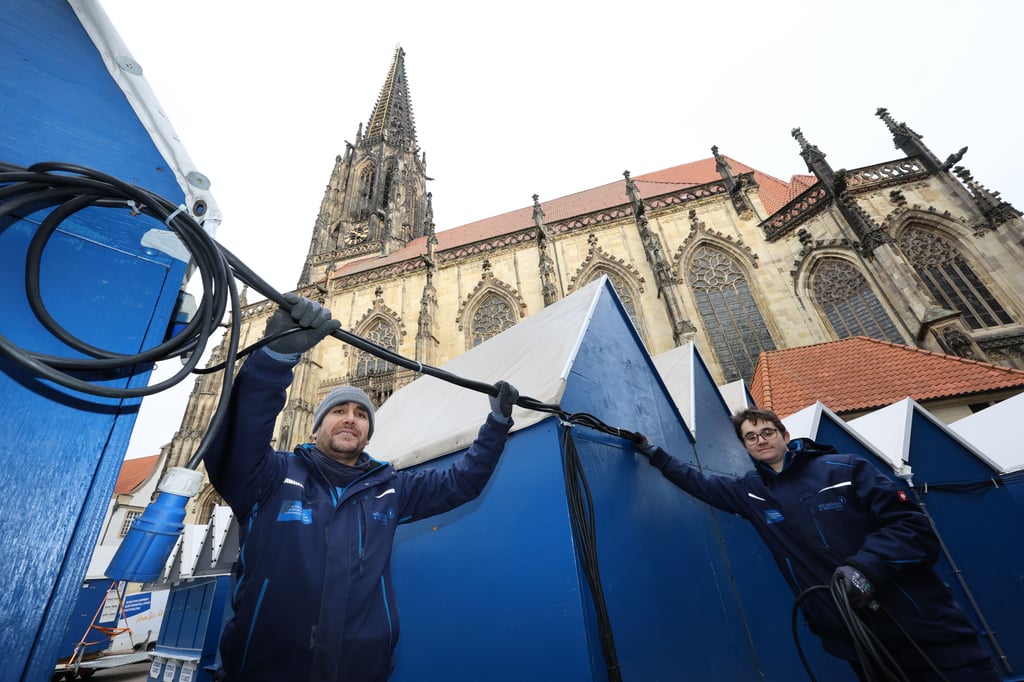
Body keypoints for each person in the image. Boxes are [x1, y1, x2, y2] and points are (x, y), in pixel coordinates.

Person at [204, 293, 518, 682]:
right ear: (316, 426)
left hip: (360, 671)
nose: (350, 419)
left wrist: (496, 425)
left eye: (359, 415)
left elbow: (462, 482)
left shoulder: (389, 489)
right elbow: (240, 436)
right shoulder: (270, 477)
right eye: (338, 412)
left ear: (368, 434)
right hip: (263, 670)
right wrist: (274, 359)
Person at [633, 408, 1000, 682]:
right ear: (745, 446)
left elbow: (912, 527)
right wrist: (655, 454)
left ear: (784, 433)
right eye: (751, 436)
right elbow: (699, 484)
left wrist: (866, 569)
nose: (760, 439)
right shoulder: (749, 492)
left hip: (924, 629)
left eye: (767, 431)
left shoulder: (844, 469)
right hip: (856, 642)